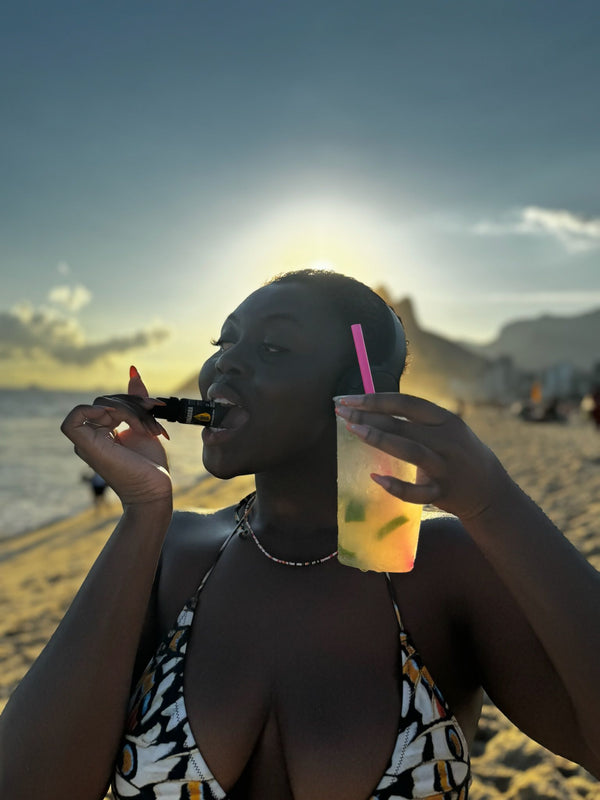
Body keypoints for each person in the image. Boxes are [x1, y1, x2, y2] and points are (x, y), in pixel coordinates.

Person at [1, 269, 599, 800]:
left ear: (360, 384)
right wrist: (141, 510)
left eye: (272, 346)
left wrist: (495, 502)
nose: (224, 364)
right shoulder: (170, 550)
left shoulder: (438, 566)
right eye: (223, 342)